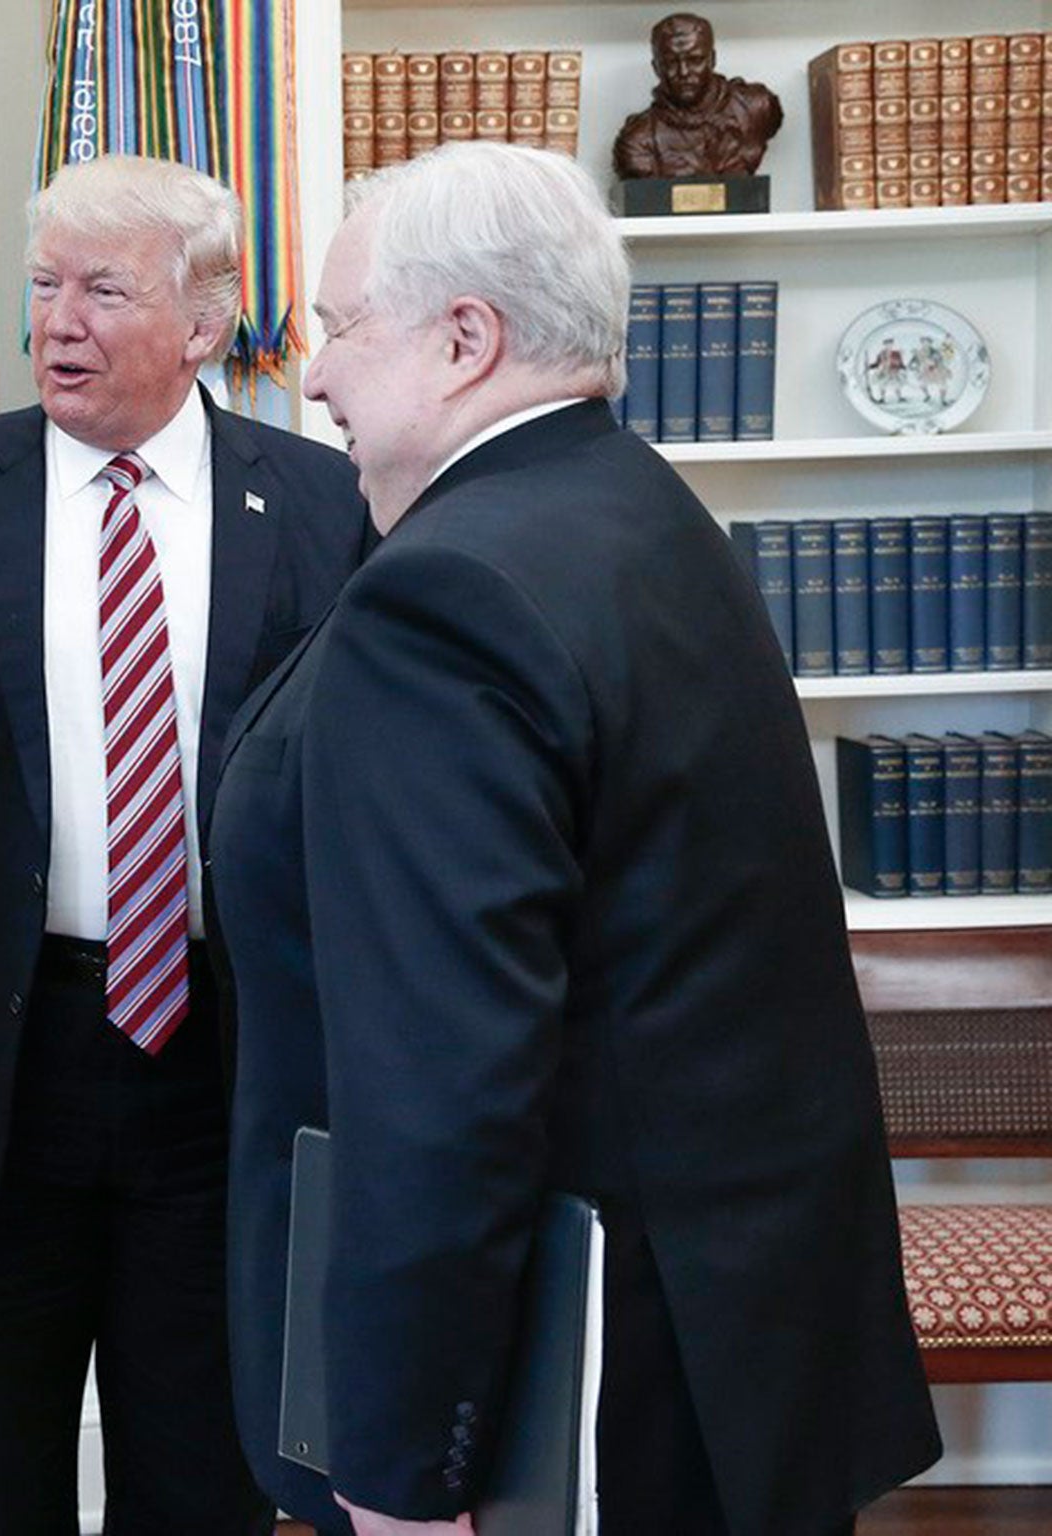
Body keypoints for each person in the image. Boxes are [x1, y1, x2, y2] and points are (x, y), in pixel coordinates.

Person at [211, 141, 940, 1536]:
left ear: (465, 340)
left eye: (343, 329)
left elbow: (443, 1075)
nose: (315, 378)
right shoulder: (640, 513)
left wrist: (407, 1469)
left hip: (588, 1388)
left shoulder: (450, 596)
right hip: (726, 1338)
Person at [0, 154, 371, 1535]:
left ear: (208, 321)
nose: (58, 322)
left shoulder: (326, 506)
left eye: (104, 290)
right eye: (43, 285)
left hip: (230, 1065)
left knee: (207, 1476)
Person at [613, 12, 783, 180]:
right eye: (671, 63)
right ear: (656, 67)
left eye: (695, 60)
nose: (684, 72)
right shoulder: (638, 141)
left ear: (712, 59)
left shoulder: (756, 107)